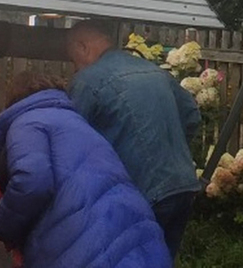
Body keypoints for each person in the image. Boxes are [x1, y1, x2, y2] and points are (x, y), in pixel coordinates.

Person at [0, 71, 171, 268]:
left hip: (87, 240)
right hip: (131, 224)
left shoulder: (28, 121)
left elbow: (32, 182)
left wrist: (0, 223)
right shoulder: (76, 121)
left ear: (14, 99)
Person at [66, 20, 201, 259]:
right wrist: (172, 149)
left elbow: (72, 142)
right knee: (162, 259)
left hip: (141, 192)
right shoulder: (152, 70)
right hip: (183, 186)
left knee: (127, 260)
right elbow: (191, 114)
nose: (75, 68)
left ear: (82, 47)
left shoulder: (89, 80)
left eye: (73, 59)